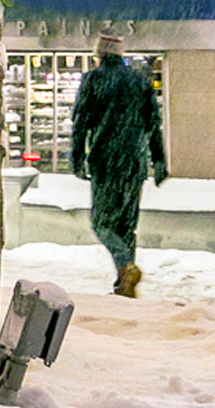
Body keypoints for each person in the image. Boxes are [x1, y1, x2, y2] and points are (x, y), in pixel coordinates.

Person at [72, 30, 168, 297]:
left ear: (99, 54)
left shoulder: (93, 80)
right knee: (127, 225)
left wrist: (77, 158)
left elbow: (80, 124)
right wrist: (158, 160)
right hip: (135, 162)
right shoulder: (140, 81)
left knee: (102, 223)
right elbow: (153, 125)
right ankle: (124, 283)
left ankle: (125, 266)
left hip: (106, 160)